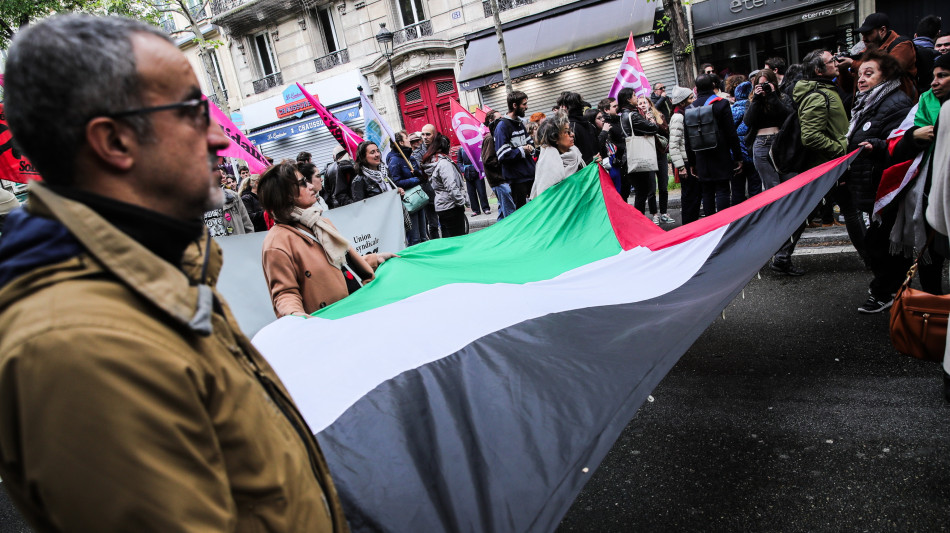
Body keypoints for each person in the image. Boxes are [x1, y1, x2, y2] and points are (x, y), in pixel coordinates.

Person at [0, 14, 347, 531]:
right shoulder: (80, 347)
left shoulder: (162, 270)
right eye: (191, 110)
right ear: (114, 142)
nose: (217, 137)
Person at [259, 161, 393, 317]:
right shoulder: (276, 243)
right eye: (302, 183)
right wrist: (295, 316)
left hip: (361, 305)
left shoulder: (319, 222)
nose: (310, 186)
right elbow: (285, 294)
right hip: (334, 321)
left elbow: (339, 264)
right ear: (286, 195)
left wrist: (375, 259)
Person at [841, 50, 915, 312]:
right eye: (859, 73)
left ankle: (887, 291)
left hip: (885, 186)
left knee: (880, 242)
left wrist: (877, 145)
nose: (861, 79)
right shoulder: (866, 103)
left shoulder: (896, 104)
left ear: (888, 75)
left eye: (868, 73)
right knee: (878, 242)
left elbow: (902, 145)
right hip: (869, 183)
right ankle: (892, 287)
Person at [771, 49, 849, 276]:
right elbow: (811, 136)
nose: (836, 62)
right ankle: (782, 257)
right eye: (830, 61)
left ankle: (782, 257)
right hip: (824, 166)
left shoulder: (825, 90)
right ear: (818, 70)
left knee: (806, 212)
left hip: (828, 165)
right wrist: (841, 149)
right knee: (805, 213)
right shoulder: (817, 95)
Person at [685, 74, 743, 217]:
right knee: (723, 189)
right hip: (720, 153)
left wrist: (692, 162)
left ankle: (711, 225)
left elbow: (688, 139)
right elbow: (731, 133)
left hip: (701, 156)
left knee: (707, 191)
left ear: (696, 89)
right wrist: (738, 157)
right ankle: (723, 222)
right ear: (713, 85)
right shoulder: (721, 104)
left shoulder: (690, 108)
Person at [838, 12, 918, 99]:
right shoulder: (865, 52)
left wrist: (853, 63)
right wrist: (843, 70)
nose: (864, 39)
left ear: (882, 30)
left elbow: (891, 71)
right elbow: (849, 88)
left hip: (898, 105)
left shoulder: (902, 45)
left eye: (868, 33)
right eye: (863, 35)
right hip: (871, 106)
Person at [744, 69, 792, 191]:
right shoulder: (752, 101)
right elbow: (748, 121)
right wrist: (756, 99)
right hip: (762, 144)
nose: (763, 87)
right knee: (772, 187)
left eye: (767, 84)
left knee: (790, 184)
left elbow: (788, 116)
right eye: (760, 84)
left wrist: (772, 95)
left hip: (781, 143)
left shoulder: (782, 98)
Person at [618, 87, 658, 213]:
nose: (637, 97)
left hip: (629, 157)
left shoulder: (623, 115)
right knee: (642, 192)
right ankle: (639, 221)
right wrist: (652, 121)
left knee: (640, 191)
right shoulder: (633, 115)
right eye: (634, 95)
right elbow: (652, 128)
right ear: (628, 99)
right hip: (638, 156)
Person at [494, 90, 536, 208]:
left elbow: (530, 143)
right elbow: (502, 154)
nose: (526, 107)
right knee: (522, 213)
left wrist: (530, 148)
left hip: (530, 175)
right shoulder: (502, 126)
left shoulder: (520, 123)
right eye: (524, 104)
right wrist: (522, 150)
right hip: (517, 179)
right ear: (514, 105)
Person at [421, 133, 468, 237]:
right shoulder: (444, 164)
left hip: (443, 206)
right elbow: (451, 186)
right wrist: (461, 202)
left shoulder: (434, 162)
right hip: (451, 207)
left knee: (449, 239)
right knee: (458, 239)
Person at [388, 130, 429, 245]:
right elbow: (396, 182)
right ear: (400, 143)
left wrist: (419, 174)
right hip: (408, 200)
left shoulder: (410, 158)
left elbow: (421, 175)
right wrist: (416, 179)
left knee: (423, 235)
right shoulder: (395, 160)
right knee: (414, 238)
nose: (409, 141)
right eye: (406, 138)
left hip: (418, 196)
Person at [531, 114, 586, 198]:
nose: (572, 134)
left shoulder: (575, 153)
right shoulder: (548, 165)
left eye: (570, 131)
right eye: (567, 132)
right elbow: (549, 197)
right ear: (555, 138)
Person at [637, 95, 673, 224]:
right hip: (647, 154)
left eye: (644, 102)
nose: (642, 105)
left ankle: (664, 212)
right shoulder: (637, 118)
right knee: (651, 188)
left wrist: (655, 124)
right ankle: (654, 214)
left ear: (650, 104)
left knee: (663, 185)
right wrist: (645, 123)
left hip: (660, 153)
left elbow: (666, 131)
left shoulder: (659, 115)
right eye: (639, 103)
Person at [668, 86, 700, 223]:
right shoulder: (677, 117)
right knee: (689, 197)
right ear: (682, 102)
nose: (694, 100)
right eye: (691, 98)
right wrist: (681, 167)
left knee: (695, 196)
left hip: (690, 160)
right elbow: (674, 145)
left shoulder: (686, 113)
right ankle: (689, 225)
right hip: (685, 162)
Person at [730, 81, 762, 205]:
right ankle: (757, 213)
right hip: (752, 152)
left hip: (736, 155)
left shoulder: (732, 111)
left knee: (737, 189)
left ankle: (739, 218)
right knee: (755, 187)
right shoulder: (754, 108)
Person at [482, 110, 517, 219]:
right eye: (499, 118)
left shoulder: (496, 135)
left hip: (502, 179)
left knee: (503, 211)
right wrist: (505, 160)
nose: (502, 120)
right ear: (491, 121)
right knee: (509, 213)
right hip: (499, 180)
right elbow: (488, 160)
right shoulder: (490, 138)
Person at [598, 97, 627, 195]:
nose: (617, 108)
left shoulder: (620, 120)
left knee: (624, 190)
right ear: (606, 110)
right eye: (614, 106)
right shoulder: (606, 125)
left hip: (624, 161)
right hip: (615, 162)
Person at [458, 148, 491, 216]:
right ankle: (476, 210)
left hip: (477, 172)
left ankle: (485, 208)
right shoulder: (461, 149)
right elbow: (459, 162)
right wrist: (463, 169)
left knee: (481, 191)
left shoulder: (474, 146)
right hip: (468, 173)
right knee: (471, 193)